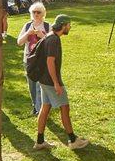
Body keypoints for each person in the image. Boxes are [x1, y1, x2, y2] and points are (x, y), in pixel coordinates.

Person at [30, 14, 88, 151]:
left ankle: (39, 142)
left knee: (45, 108)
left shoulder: (50, 36)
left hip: (44, 80)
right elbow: (50, 61)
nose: (70, 27)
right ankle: (73, 140)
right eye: (69, 24)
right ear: (63, 25)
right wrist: (56, 83)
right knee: (64, 107)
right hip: (50, 81)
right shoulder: (54, 40)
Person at [17, 3, 51, 115]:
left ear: (43, 14)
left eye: (38, 12)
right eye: (34, 12)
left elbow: (52, 43)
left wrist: (42, 36)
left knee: (39, 86)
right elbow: (19, 42)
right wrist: (28, 33)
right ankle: (35, 106)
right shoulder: (27, 26)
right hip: (29, 60)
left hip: (42, 61)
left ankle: (39, 109)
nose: (36, 14)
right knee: (32, 85)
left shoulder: (47, 26)